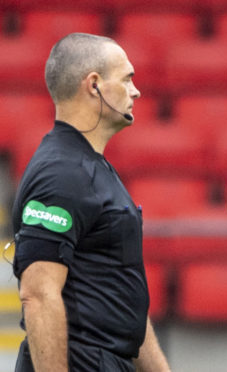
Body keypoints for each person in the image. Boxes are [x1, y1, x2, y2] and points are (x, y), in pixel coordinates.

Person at [12, 33, 170, 372]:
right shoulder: (61, 174)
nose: (136, 90)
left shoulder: (90, 168)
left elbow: (120, 298)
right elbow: (38, 296)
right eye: (127, 78)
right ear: (94, 85)